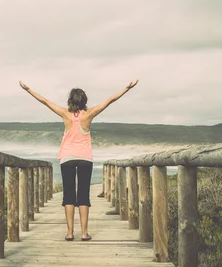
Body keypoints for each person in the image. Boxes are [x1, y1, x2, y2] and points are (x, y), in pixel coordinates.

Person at [19, 80, 139, 241]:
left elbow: (45, 102)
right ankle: (84, 233)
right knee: (83, 195)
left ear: (70, 100)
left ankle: (69, 233)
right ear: (84, 101)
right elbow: (110, 100)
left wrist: (29, 90)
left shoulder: (65, 114)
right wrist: (126, 88)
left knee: (68, 195)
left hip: (67, 158)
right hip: (85, 158)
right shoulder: (89, 115)